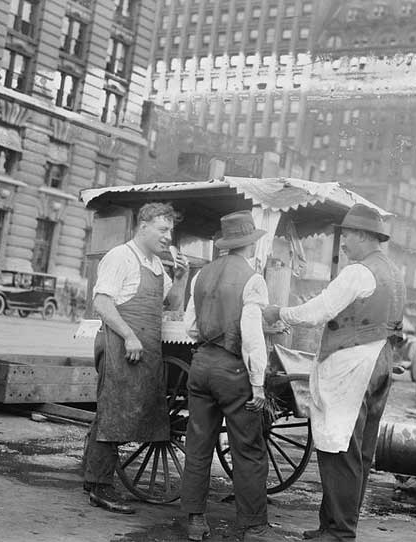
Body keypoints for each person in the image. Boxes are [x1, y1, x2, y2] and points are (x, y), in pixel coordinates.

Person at [263, 203, 406, 541]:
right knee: (359, 451)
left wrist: (278, 312)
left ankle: (340, 531)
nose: (343, 244)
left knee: (338, 447)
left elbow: (319, 311)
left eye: (347, 237)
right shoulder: (393, 273)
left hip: (353, 362)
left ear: (363, 236)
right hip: (380, 358)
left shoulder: (359, 272)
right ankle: (332, 524)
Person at [81, 202, 188, 514]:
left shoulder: (156, 264)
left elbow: (172, 303)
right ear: (143, 225)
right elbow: (101, 302)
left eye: (171, 231)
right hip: (119, 345)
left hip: (143, 349)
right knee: (114, 414)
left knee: (119, 414)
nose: (169, 237)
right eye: (163, 229)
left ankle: (93, 479)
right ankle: (101, 489)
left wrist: (181, 277)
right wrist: (128, 335)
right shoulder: (120, 256)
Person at [180, 210, 279, 542]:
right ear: (250, 244)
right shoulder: (252, 279)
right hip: (232, 370)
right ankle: (254, 527)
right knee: (248, 448)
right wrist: (258, 385)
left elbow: (190, 327)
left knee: (198, 445)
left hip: (200, 365)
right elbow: (251, 338)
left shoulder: (201, 276)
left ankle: (194, 520)